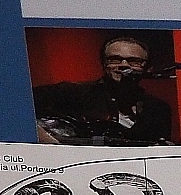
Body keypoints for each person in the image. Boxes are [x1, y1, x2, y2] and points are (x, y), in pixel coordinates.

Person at [32, 37, 173, 146]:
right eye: (115, 60)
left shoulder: (158, 109)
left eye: (134, 61)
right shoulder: (74, 93)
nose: (123, 65)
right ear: (104, 64)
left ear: (148, 68)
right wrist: (43, 136)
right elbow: (22, 101)